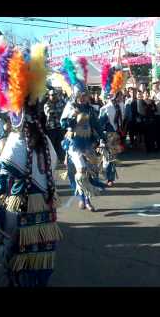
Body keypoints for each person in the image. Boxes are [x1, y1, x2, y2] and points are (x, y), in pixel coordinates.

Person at [0, 35, 63, 287]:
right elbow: (53, 166)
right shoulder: (46, 142)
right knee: (41, 259)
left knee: (14, 256)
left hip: (21, 212)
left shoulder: (15, 144)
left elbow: (3, 185)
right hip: (45, 214)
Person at [60, 57, 105, 212]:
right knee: (80, 171)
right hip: (74, 144)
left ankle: (87, 199)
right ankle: (82, 198)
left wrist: (103, 139)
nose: (85, 97)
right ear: (77, 95)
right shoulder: (70, 107)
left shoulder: (90, 109)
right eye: (83, 95)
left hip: (87, 143)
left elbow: (97, 125)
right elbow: (63, 123)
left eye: (86, 95)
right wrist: (72, 119)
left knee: (91, 172)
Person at [99, 79, 125, 187]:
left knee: (112, 158)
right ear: (115, 97)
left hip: (116, 134)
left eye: (121, 96)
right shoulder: (105, 108)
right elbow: (100, 124)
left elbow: (121, 120)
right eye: (119, 96)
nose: (121, 98)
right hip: (107, 135)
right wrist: (102, 137)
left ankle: (110, 178)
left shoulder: (121, 106)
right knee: (107, 158)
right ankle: (106, 175)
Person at [44, 89, 66, 161]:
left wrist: (57, 113)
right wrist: (58, 112)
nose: (54, 96)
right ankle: (52, 160)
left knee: (61, 144)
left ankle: (62, 159)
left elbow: (64, 113)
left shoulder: (61, 103)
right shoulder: (47, 104)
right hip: (51, 128)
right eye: (52, 95)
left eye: (55, 95)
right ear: (49, 96)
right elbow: (50, 113)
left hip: (60, 127)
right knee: (52, 145)